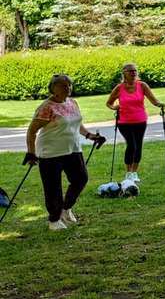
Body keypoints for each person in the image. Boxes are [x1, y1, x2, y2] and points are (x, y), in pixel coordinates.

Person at [24, 75, 107, 231]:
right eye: (63, 85)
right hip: (50, 152)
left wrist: (90, 136)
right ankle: (54, 220)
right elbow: (31, 131)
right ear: (53, 88)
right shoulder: (46, 107)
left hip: (73, 149)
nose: (68, 88)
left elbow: (77, 123)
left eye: (69, 85)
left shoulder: (72, 102)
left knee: (81, 178)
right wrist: (31, 152)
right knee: (53, 188)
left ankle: (65, 209)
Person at [106, 62, 165, 194]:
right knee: (131, 145)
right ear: (124, 73)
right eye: (130, 71)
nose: (133, 73)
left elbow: (153, 100)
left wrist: (160, 104)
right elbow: (108, 103)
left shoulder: (142, 85)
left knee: (138, 145)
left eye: (135, 71)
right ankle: (128, 173)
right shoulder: (119, 88)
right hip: (124, 121)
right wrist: (115, 107)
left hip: (140, 120)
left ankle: (134, 173)